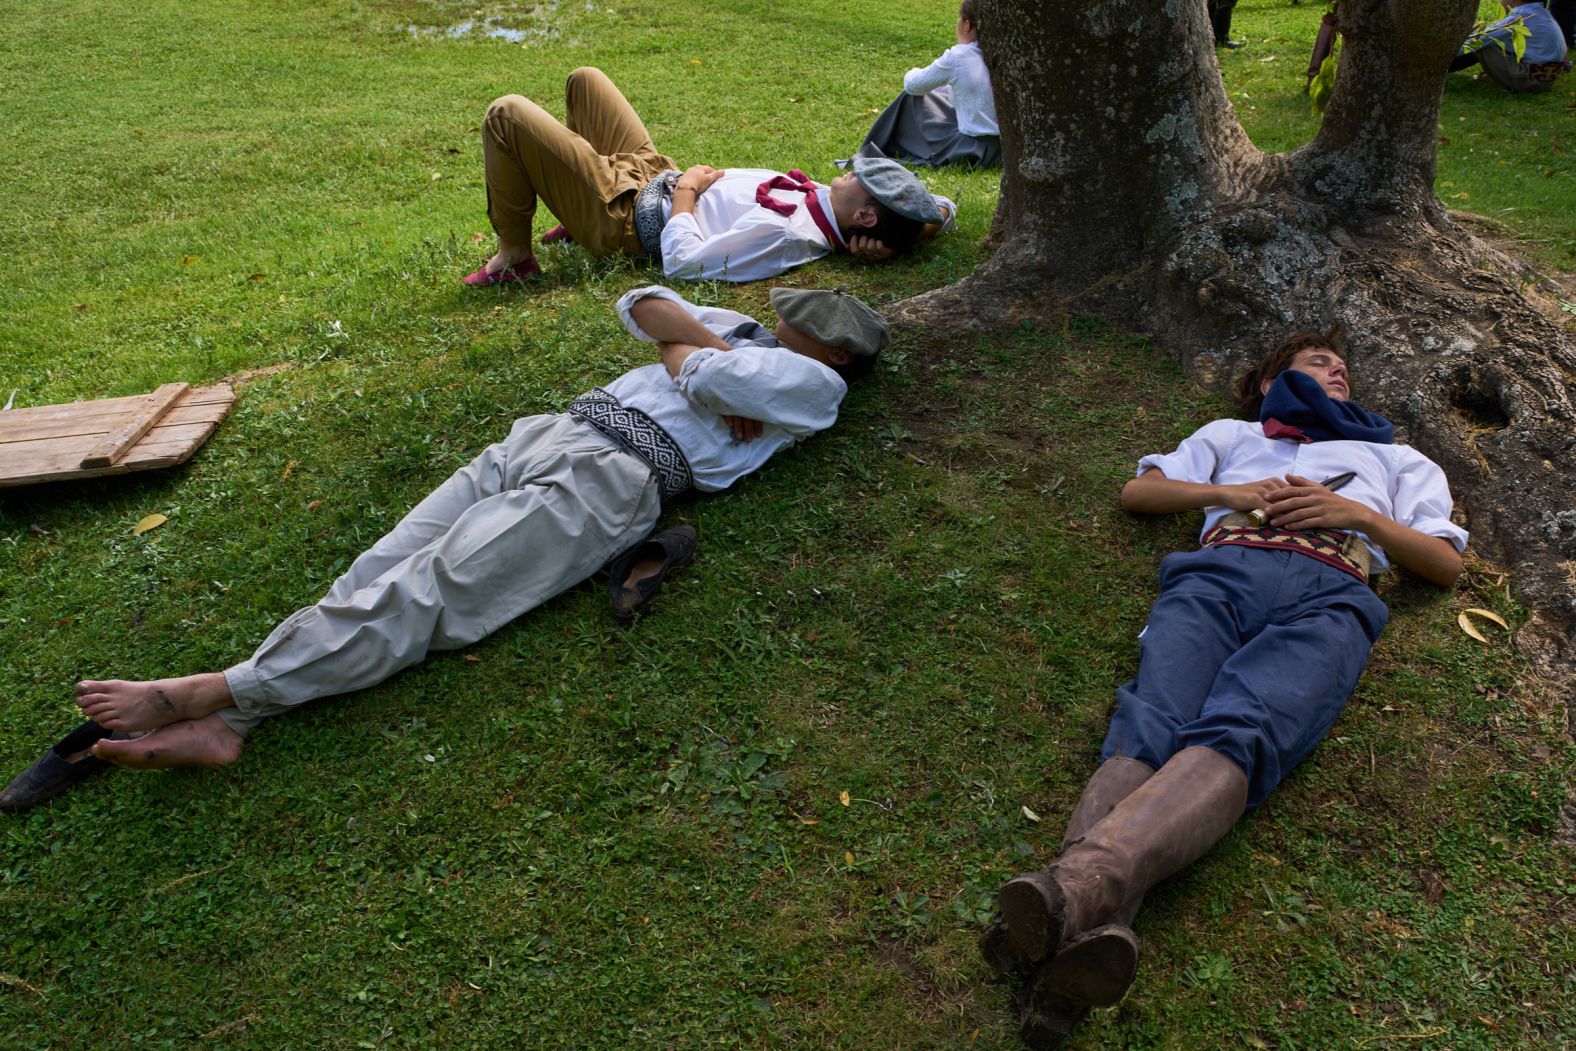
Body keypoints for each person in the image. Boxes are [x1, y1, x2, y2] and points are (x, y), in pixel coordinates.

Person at [0, 285, 890, 809]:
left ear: (835, 357)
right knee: (379, 569)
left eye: (803, 326)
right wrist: (689, 339)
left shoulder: (814, 387)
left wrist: (684, 349)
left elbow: (695, 365)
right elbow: (643, 306)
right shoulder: (743, 331)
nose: (784, 323)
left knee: (432, 593)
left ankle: (211, 692)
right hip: (545, 434)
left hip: (612, 481)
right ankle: (231, 723)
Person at [981, 334, 1468, 1049]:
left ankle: (1065, 897)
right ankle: (1072, 954)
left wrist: (1360, 516)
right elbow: (1138, 491)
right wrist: (1227, 492)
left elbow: (1445, 564)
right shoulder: (1232, 435)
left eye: (1344, 367)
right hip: (1218, 574)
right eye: (1318, 362)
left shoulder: (1397, 459)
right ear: (1271, 379)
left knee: (1243, 731)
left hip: (1332, 593)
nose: (1339, 371)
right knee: (1150, 725)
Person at [465, 67, 956, 286]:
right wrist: (916, 229)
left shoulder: (786, 235)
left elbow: (684, 265)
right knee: (585, 81)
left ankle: (515, 257)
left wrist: (686, 191)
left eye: (860, 176)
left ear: (866, 212)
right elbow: (939, 206)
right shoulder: (832, 204)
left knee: (506, 114)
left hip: (630, 217)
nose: (850, 169)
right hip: (654, 171)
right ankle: (572, 210)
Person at [861, 0, 1000, 169]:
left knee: (912, 97)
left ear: (967, 25)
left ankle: (881, 143)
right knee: (940, 93)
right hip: (1003, 151)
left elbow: (913, 85)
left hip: (970, 151)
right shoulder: (1007, 52)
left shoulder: (959, 56)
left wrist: (912, 70)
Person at [1449, 0, 1570, 93]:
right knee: (1491, 41)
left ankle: (1438, 70)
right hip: (1547, 81)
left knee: (1485, 44)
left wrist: (1439, 51)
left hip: (1530, 81)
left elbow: (1476, 42)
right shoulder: (1541, 13)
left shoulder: (1520, 17)